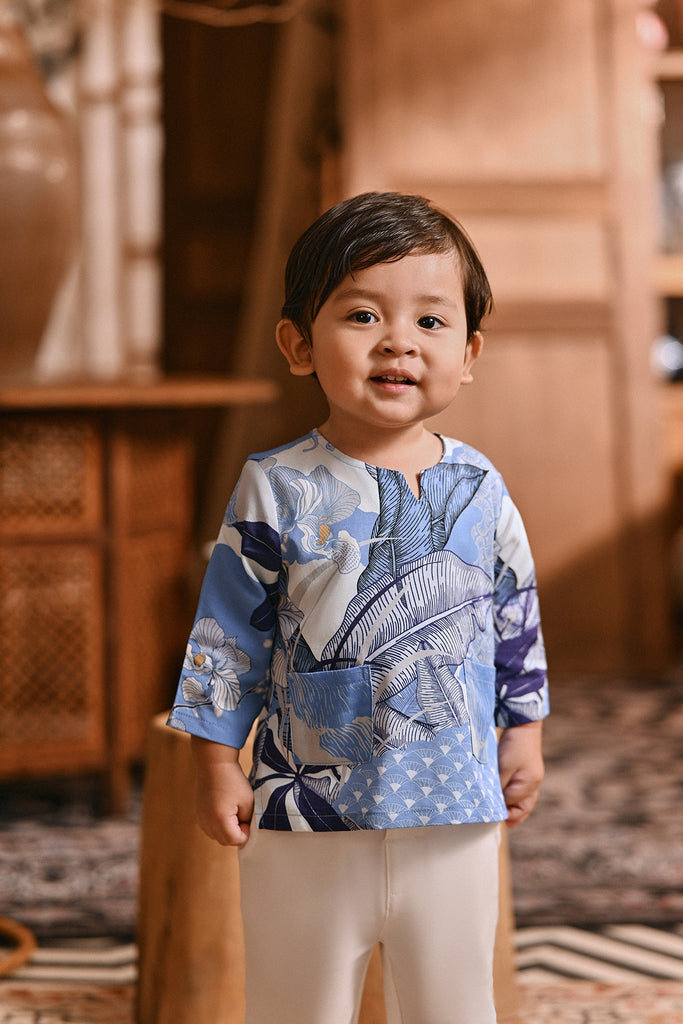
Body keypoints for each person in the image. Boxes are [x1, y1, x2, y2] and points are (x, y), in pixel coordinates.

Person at [167, 191, 549, 1024]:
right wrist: (214, 763)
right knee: (294, 1006)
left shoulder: (479, 485)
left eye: (430, 321)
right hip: (304, 814)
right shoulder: (276, 485)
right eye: (363, 314)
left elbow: (514, 615)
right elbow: (227, 633)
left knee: (453, 1005)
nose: (398, 341)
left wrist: (522, 731)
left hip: (452, 807)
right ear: (298, 344)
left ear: (468, 353)